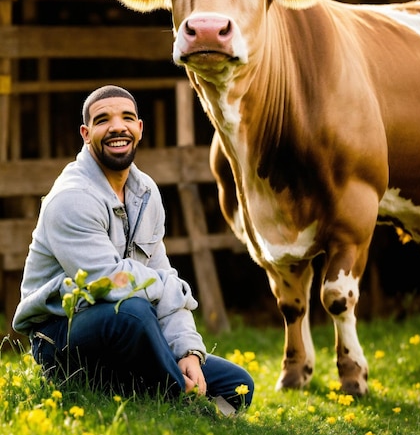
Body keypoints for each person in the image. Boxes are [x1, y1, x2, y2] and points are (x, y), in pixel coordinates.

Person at [13, 85, 253, 410]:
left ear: (139, 129)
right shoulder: (71, 198)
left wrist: (188, 353)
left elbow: (161, 272)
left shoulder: (146, 193)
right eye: (103, 120)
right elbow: (111, 283)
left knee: (238, 386)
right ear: (86, 134)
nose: (117, 127)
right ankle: (190, 412)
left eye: (127, 117)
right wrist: (167, 286)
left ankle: (149, 393)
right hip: (62, 338)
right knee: (131, 311)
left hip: (136, 336)